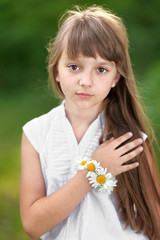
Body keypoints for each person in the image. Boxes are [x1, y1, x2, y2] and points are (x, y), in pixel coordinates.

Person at [20, 5, 160, 240]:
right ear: (56, 69)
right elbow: (33, 225)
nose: (86, 81)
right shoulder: (36, 133)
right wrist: (93, 171)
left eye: (101, 69)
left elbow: (155, 218)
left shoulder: (129, 137)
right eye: (74, 67)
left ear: (116, 77)